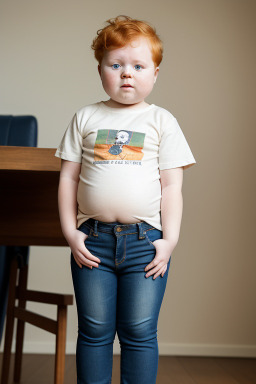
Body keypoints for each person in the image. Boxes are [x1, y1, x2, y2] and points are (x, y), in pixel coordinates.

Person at [55, 15, 196, 384]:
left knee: (139, 331)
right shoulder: (85, 117)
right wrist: (71, 233)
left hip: (146, 243)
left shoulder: (161, 121)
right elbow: (68, 179)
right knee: (95, 330)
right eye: (115, 65)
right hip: (93, 241)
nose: (126, 74)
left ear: (155, 73)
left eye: (137, 66)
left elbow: (172, 188)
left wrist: (170, 241)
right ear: (100, 69)